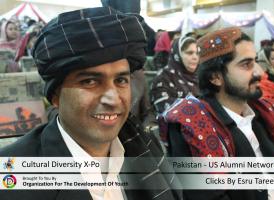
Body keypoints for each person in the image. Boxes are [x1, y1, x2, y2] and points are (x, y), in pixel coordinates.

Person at [0, 7, 182, 200]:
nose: (112, 100)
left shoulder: (145, 145)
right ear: (55, 95)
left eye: (121, 80)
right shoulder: (13, 173)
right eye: (90, 82)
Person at [159, 27, 274, 200]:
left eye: (255, 62)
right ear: (215, 77)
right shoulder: (190, 126)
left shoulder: (264, 113)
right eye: (246, 64)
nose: (259, 73)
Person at [150, 36, 200, 114]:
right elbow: (166, 111)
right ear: (177, 55)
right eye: (189, 53)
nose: (195, 57)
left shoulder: (200, 76)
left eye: (197, 53)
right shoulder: (163, 78)